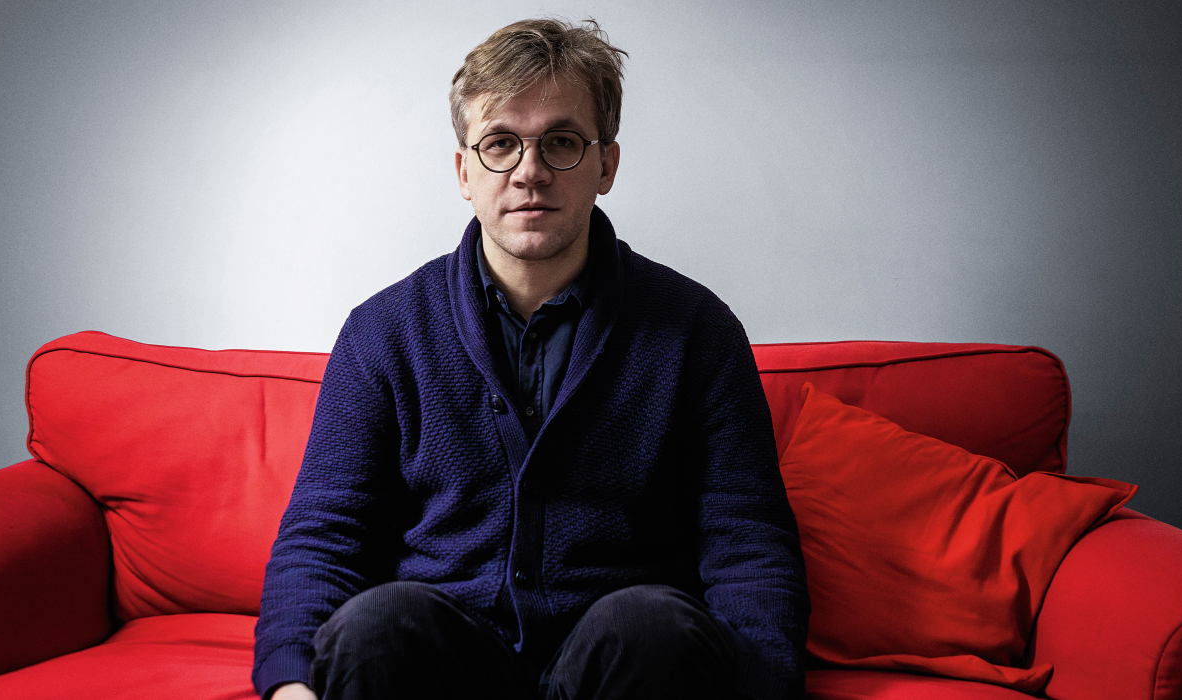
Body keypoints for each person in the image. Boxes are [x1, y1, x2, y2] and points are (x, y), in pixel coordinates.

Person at [253, 18, 808, 700]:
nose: (530, 172)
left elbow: (747, 539)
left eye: (562, 142)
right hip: (445, 663)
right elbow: (324, 531)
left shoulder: (697, 331)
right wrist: (291, 685)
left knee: (653, 622)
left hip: (624, 666)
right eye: (500, 144)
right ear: (464, 172)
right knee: (377, 624)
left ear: (607, 165)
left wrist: (766, 684)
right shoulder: (383, 332)